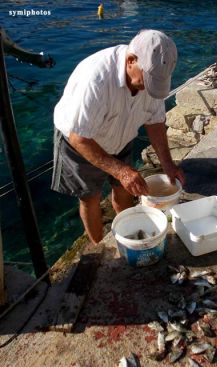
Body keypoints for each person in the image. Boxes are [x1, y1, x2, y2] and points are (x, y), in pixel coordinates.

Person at [51, 29, 185, 244]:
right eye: (145, 82)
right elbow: (79, 138)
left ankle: (127, 232)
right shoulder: (95, 79)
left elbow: (155, 122)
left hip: (120, 133)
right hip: (81, 142)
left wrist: (168, 164)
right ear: (131, 60)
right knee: (90, 198)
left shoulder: (149, 76)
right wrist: (121, 171)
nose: (148, 89)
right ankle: (99, 246)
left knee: (125, 189)